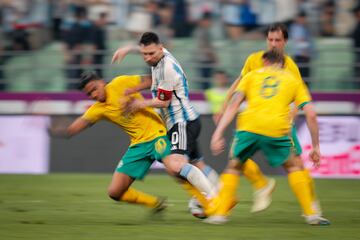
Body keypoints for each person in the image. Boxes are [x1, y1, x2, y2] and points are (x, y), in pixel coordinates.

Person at [49, 71, 217, 215]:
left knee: (174, 169)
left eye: (94, 89)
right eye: (89, 94)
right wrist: (56, 130)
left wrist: (136, 96)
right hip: (138, 145)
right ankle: (155, 203)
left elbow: (152, 79)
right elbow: (72, 130)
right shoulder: (97, 110)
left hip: (158, 134)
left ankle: (210, 202)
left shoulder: (121, 83)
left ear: (101, 82)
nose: (93, 95)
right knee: (115, 192)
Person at [206, 49, 330, 226]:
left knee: (234, 166)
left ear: (264, 62)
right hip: (276, 128)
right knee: (293, 166)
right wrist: (316, 146)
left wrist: (218, 133)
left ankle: (219, 215)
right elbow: (311, 114)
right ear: (282, 64)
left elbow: (234, 105)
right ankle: (311, 214)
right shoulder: (293, 80)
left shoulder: (251, 76)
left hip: (249, 126)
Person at [218, 23, 322, 214]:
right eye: (270, 39)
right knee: (235, 156)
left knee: (296, 164)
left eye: (278, 40)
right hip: (253, 120)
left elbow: (298, 101)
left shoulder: (291, 67)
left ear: (285, 42)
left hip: (281, 122)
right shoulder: (254, 59)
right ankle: (261, 185)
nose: (273, 44)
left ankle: (311, 203)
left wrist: (287, 121)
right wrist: (224, 106)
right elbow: (240, 83)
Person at [111, 32, 220, 213]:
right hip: (188, 119)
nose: (147, 58)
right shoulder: (159, 55)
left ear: (160, 48)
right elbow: (145, 48)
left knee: (176, 165)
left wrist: (139, 104)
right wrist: (127, 49)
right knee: (197, 164)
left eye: (151, 54)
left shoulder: (166, 68)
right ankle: (219, 191)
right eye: (144, 54)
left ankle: (214, 201)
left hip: (181, 122)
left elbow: (163, 102)